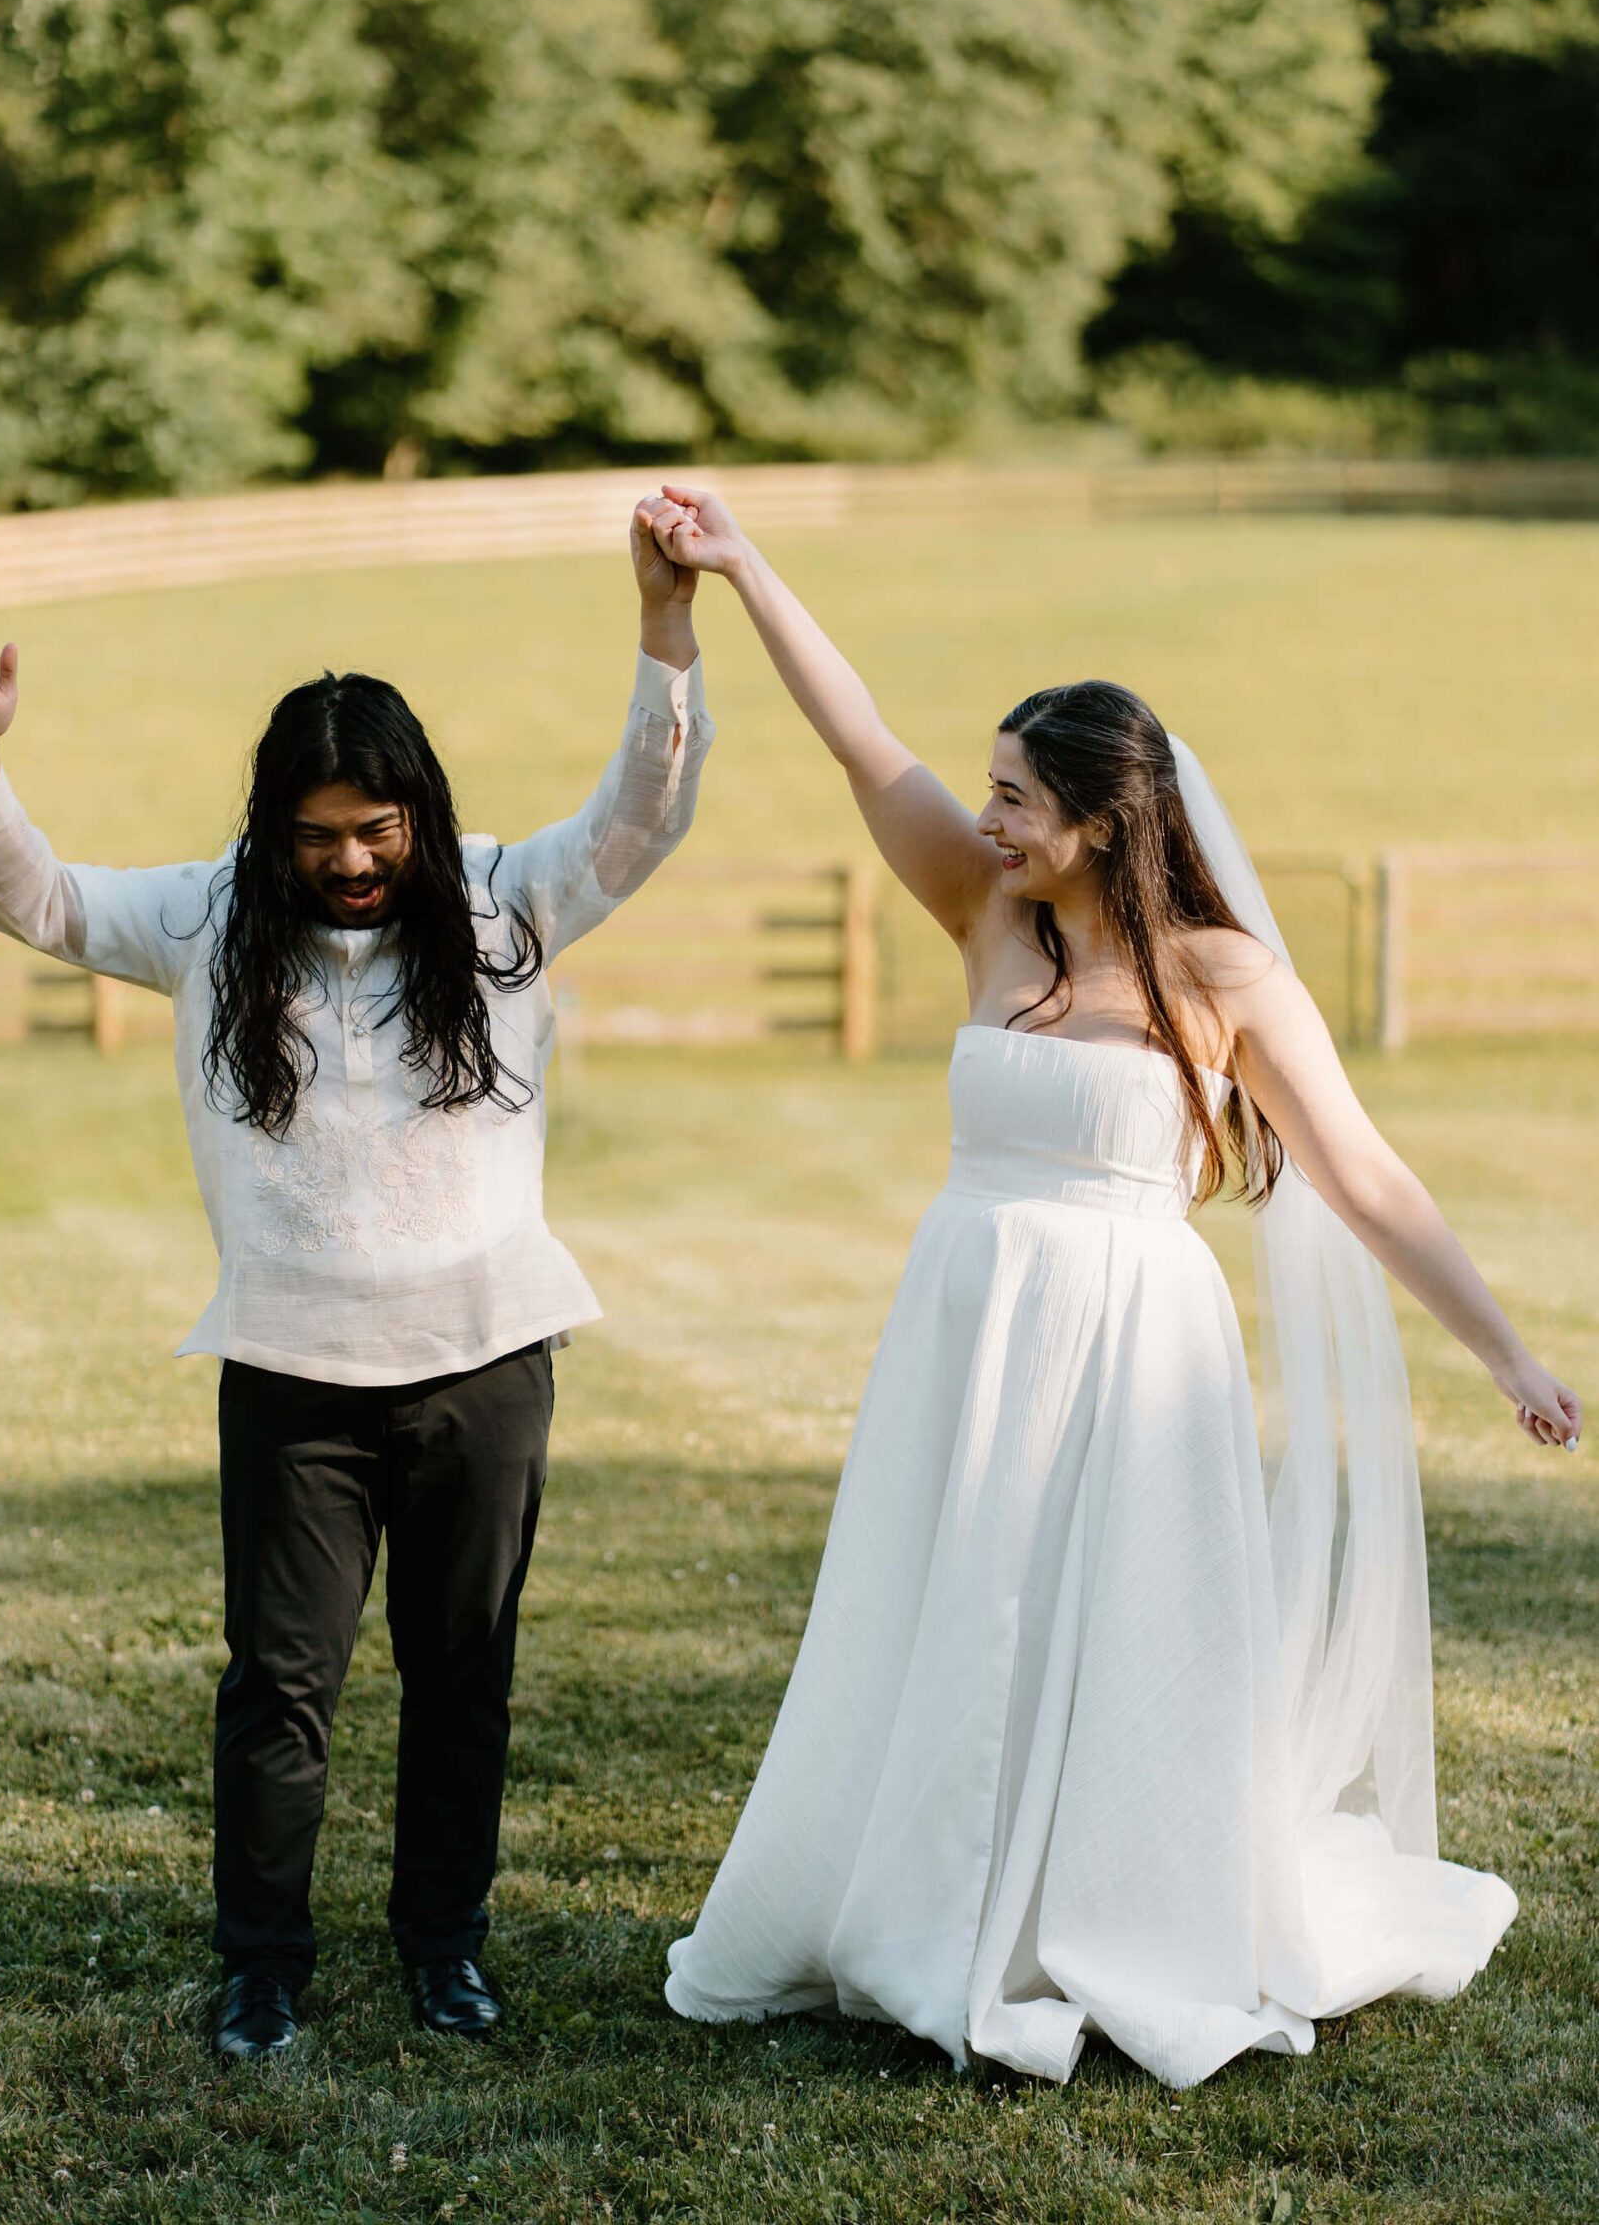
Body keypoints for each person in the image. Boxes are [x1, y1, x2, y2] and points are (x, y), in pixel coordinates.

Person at [641, 483, 1580, 2090]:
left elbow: (1362, 1172)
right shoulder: (986, 913)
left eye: (1017, 795)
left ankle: (1116, 1914)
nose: (988, 815)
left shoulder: (1223, 976)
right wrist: (741, 572)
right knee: (950, 1609)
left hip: (1137, 1345)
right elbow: (861, 738)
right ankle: (936, 1905)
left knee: (1119, 1632)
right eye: (992, 790)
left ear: (1101, 819)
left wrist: (1504, 1353)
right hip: (969, 1320)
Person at [0, 505, 714, 2062]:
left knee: (462, 1675)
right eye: (318, 835)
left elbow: (646, 811)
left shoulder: (507, 906)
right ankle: (263, 1967)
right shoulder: (215, 918)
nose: (350, 862)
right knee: (280, 1684)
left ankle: (445, 1951)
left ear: (419, 815)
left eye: (377, 831)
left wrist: (665, 627)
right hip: (291, 1371)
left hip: (483, 1362)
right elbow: (45, 903)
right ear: (275, 829)